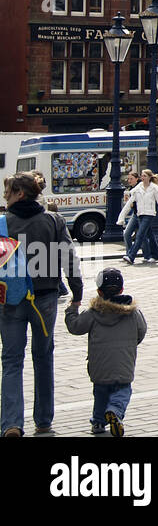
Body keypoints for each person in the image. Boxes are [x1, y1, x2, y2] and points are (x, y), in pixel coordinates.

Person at [1, 172, 83, 437]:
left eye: (8, 191)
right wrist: (77, 291)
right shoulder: (54, 220)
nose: (4, 195)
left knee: (12, 360)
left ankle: (12, 422)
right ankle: (44, 419)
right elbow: (69, 257)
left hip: (11, 299)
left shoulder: (3, 223)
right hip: (45, 298)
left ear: (20, 193)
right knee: (43, 357)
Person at [64, 267, 146, 437]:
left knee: (100, 392)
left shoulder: (93, 313)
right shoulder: (133, 312)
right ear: (122, 289)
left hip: (99, 365)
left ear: (99, 291)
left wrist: (71, 309)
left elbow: (75, 327)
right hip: (124, 363)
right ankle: (115, 411)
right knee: (123, 390)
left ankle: (98, 423)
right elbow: (142, 330)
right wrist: (130, 344)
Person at [123, 170, 158, 265]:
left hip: (149, 214)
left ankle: (131, 256)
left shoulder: (154, 189)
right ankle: (156, 255)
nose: (142, 178)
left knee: (140, 235)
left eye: (144, 176)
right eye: (142, 176)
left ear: (149, 177)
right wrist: (121, 216)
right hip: (139, 214)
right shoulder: (138, 189)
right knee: (150, 236)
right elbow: (129, 203)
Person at [117, 171, 141, 256]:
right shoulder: (131, 189)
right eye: (128, 179)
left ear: (137, 179)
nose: (129, 181)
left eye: (131, 179)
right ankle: (129, 253)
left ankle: (148, 255)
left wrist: (133, 204)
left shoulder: (140, 188)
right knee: (127, 233)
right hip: (135, 214)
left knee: (143, 237)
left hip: (143, 215)